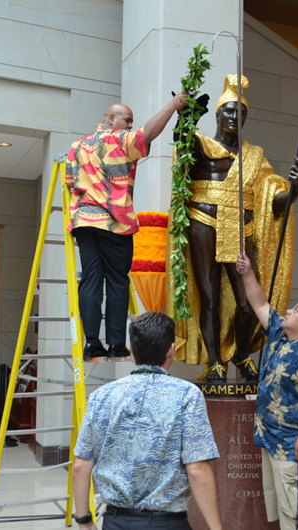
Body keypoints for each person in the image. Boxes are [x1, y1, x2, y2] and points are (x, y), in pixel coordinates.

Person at [166, 74, 298, 381]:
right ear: (217, 115)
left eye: (239, 113)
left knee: (246, 304)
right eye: (228, 111)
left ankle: (241, 354)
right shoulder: (202, 145)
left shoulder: (254, 157)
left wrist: (295, 188)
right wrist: (184, 117)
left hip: (240, 231)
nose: (233, 117)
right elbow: (182, 145)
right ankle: (215, 360)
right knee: (210, 297)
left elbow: (272, 204)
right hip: (203, 223)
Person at [71, 311, 222, 530]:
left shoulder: (101, 395)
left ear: (132, 350)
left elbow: (81, 466)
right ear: (171, 350)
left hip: (116, 522)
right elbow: (197, 468)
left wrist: (84, 521)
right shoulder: (187, 395)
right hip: (168, 524)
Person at [67, 93, 188, 360]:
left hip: (84, 222)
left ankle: (90, 343)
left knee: (90, 280)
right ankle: (115, 343)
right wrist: (173, 104)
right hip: (114, 223)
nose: (131, 126)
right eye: (128, 120)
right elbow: (147, 134)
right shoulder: (118, 139)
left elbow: (69, 182)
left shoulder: (77, 146)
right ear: (111, 118)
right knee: (118, 283)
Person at [236, 252, 298, 530]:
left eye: (295, 310)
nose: (288, 311)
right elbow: (260, 303)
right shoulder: (281, 336)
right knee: (282, 507)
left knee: (296, 509)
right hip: (271, 438)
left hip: (294, 443)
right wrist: (247, 273)